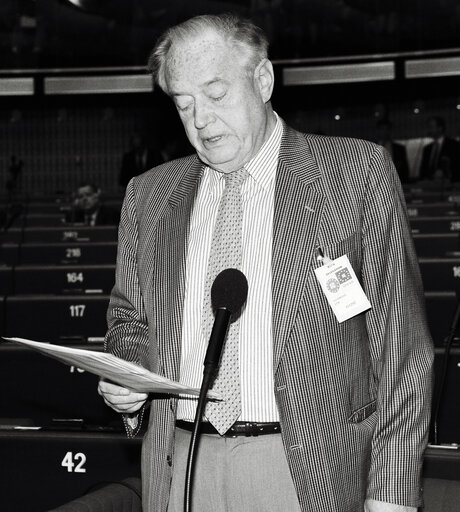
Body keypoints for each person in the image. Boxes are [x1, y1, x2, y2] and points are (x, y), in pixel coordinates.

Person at [98, 13, 433, 512]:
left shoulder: (354, 174)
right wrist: (128, 372)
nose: (201, 120)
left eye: (215, 94)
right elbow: (129, 320)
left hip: (308, 472)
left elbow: (403, 354)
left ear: (263, 80)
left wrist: (391, 496)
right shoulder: (149, 195)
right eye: (183, 104)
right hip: (181, 466)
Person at [419, 116, 460, 182]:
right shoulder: (427, 149)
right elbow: (422, 170)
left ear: (440, 128)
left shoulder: (453, 145)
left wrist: (445, 173)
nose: (429, 130)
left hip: (449, 185)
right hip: (428, 186)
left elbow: (457, 166)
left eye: (431, 127)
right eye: (428, 127)